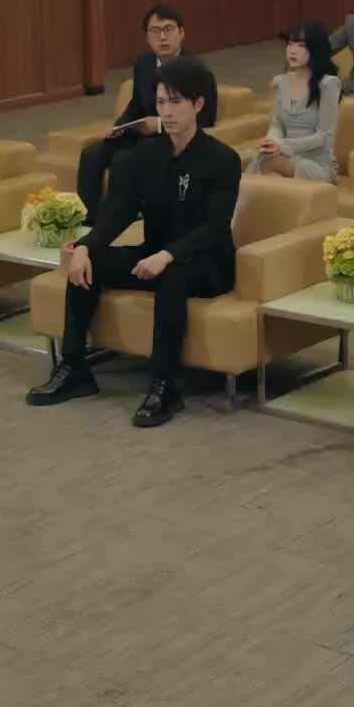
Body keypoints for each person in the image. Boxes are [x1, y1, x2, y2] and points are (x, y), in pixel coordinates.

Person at [27, 57, 241, 429]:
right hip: (153, 255)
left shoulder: (222, 159)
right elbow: (118, 212)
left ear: (198, 105)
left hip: (206, 264)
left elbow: (214, 226)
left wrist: (168, 255)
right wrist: (85, 246)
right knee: (91, 263)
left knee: (172, 275)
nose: (167, 112)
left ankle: (164, 386)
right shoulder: (143, 156)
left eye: (176, 102)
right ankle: (75, 368)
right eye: (161, 102)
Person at [76, 4, 218, 223]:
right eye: (155, 31)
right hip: (140, 133)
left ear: (181, 33)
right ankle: (87, 222)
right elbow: (136, 103)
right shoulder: (143, 64)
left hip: (171, 138)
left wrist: (160, 124)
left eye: (168, 29)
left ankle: (116, 221)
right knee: (91, 155)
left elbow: (206, 118)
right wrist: (120, 125)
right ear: (147, 37)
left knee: (123, 160)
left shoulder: (197, 70)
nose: (162, 37)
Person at [248, 20, 341, 183]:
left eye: (301, 46)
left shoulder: (328, 84)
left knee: (267, 161)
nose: (292, 50)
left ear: (315, 49)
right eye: (290, 44)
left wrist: (282, 146)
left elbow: (323, 137)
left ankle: (237, 196)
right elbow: (277, 124)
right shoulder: (280, 82)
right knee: (264, 156)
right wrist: (271, 142)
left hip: (318, 165)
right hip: (287, 157)